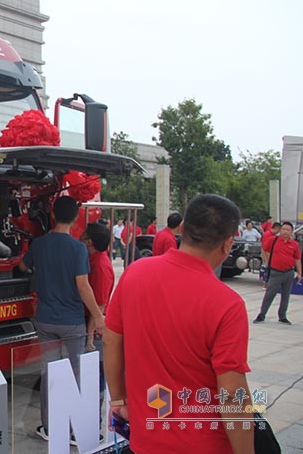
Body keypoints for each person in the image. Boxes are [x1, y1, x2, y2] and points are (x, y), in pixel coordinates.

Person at [104, 194, 253, 453]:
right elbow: (231, 394)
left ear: (182, 229)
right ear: (228, 244)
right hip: (205, 444)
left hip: (146, 439)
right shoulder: (227, 304)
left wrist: (118, 398)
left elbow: (110, 339)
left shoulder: (135, 273)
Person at [18, 196, 103, 442]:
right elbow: (83, 286)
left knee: (49, 373)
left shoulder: (39, 244)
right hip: (71, 323)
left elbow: (23, 268)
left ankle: (49, 428)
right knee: (75, 374)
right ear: (76, 218)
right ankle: (75, 431)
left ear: (53, 215)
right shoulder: (77, 248)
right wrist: (98, 317)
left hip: (44, 320)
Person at [254, 222, 302, 325]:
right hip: (275, 272)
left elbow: (297, 259)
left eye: (287, 230)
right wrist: (267, 262)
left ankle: (282, 316)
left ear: (291, 232)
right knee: (269, 294)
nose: (285, 231)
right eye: (283, 229)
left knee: (286, 295)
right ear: (280, 230)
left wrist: (299, 273)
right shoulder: (273, 240)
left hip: (289, 273)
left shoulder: (294, 244)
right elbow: (264, 249)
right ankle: (262, 315)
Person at [81, 223, 114, 352]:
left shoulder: (100, 266)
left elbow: (100, 304)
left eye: (83, 234)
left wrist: (89, 335)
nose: (80, 236)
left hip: (94, 329)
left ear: (89, 242)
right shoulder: (93, 260)